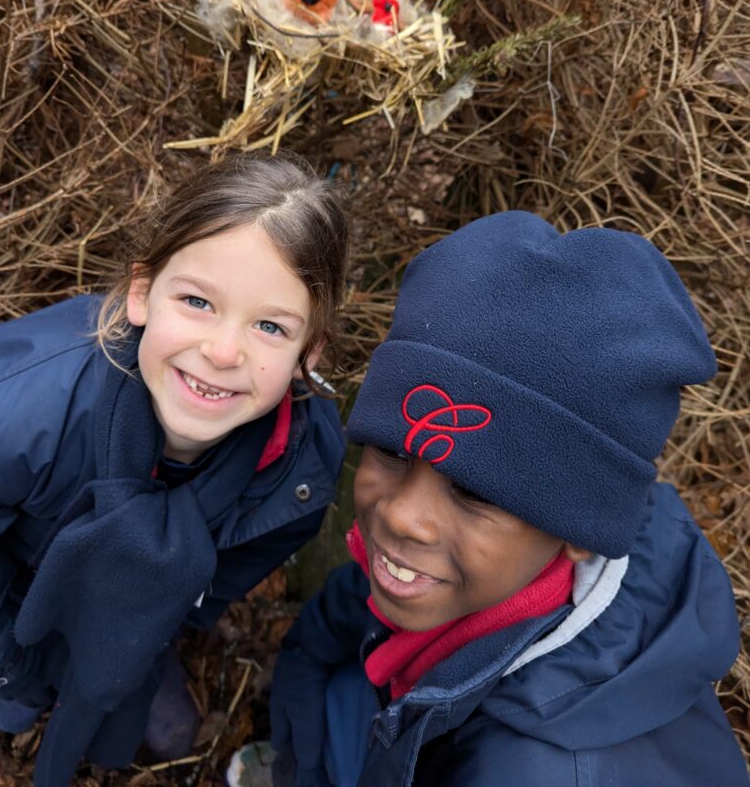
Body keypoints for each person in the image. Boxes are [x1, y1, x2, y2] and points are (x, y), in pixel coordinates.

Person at [268, 211, 748, 787]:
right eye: (392, 450)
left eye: (472, 490)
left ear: (579, 531)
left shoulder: (531, 771)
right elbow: (342, 613)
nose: (400, 514)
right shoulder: (469, 579)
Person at [0, 152, 349, 787]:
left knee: (170, 731)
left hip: (145, 613)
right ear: (142, 293)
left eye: (269, 326)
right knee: (14, 703)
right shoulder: (16, 414)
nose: (223, 351)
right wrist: (0, 658)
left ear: (307, 351)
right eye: (198, 302)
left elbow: (227, 578)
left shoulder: (302, 466)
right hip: (9, 591)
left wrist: (155, 628)